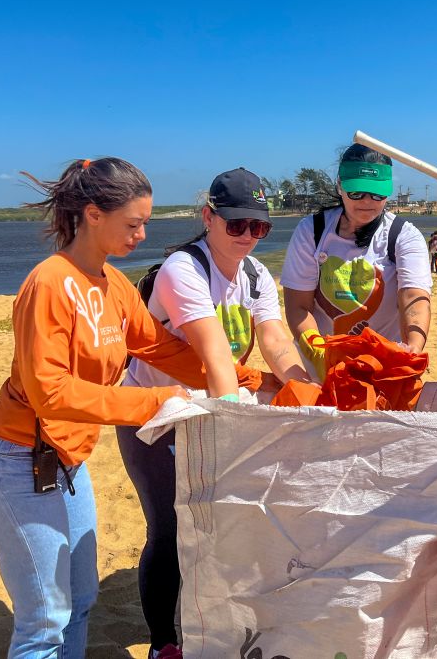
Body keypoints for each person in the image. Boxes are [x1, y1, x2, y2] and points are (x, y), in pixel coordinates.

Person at [0, 157, 246, 659]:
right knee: (45, 620)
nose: (142, 235)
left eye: (145, 223)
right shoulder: (50, 283)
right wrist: (156, 401)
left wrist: (250, 381)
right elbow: (50, 393)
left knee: (81, 601)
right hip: (14, 459)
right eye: (133, 224)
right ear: (93, 214)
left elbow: (163, 349)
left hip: (69, 463)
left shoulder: (114, 284)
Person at [117, 168, 311, 657]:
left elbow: (275, 340)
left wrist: (307, 391)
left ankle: (214, 624)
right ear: (209, 217)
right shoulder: (183, 269)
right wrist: (233, 424)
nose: (248, 236)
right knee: (169, 528)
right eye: (236, 224)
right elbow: (214, 353)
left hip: (212, 408)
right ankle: (163, 643)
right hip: (157, 417)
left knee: (221, 527)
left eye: (259, 227)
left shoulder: (255, 273)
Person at [281, 143, 433, 379]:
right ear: (340, 185)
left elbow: (414, 298)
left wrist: (413, 346)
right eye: (356, 193)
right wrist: (320, 352)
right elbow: (297, 306)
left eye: (377, 193)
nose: (367, 201)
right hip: (320, 361)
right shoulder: (312, 231)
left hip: (381, 365)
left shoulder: (404, 236)